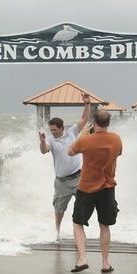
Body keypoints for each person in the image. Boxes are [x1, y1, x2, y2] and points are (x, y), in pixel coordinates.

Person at [67, 109, 122, 273]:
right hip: (107, 187)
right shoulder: (116, 139)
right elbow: (118, 153)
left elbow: (70, 152)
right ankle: (105, 263)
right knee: (104, 225)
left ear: (94, 122)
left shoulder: (85, 140)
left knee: (78, 223)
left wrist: (83, 134)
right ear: (109, 123)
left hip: (86, 187)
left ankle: (83, 259)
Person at [39, 93, 91, 239]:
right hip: (61, 181)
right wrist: (42, 141)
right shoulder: (50, 140)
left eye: (55, 130)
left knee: (81, 207)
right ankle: (57, 232)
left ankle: (79, 235)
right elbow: (44, 151)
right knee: (59, 210)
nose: (53, 132)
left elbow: (84, 119)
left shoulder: (72, 132)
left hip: (78, 177)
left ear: (62, 128)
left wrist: (87, 104)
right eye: (51, 130)